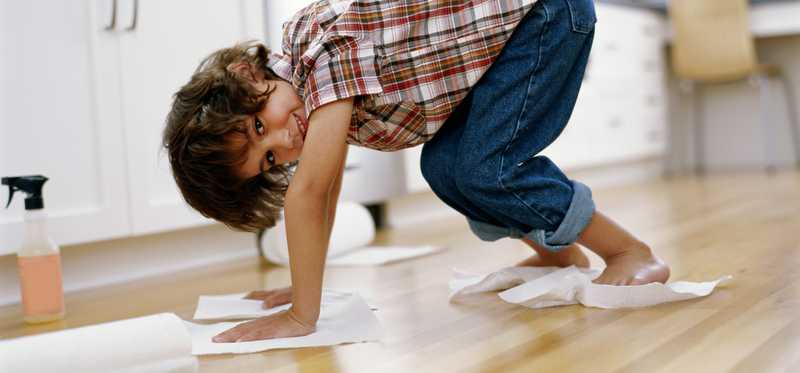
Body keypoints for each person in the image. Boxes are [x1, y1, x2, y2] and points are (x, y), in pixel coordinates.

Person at [163, 0, 669, 343]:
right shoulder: (311, 99)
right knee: (446, 166)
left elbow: (312, 193)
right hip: (514, 38)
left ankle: (629, 252)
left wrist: (302, 316)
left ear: (247, 74)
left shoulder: (318, 54)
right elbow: (327, 185)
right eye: (269, 159)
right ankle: (560, 254)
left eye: (258, 124)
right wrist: (303, 287)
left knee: (482, 168)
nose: (282, 141)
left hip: (543, 14)